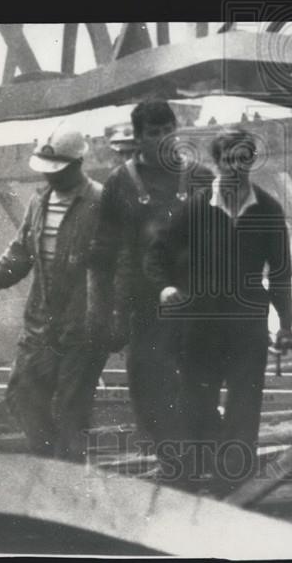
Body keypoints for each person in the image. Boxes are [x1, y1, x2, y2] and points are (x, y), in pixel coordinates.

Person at [148, 127, 292, 492]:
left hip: (248, 322)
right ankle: (200, 469)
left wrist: (286, 323)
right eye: (229, 160)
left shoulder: (268, 209)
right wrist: (166, 286)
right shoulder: (195, 209)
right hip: (201, 321)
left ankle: (231, 479)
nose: (236, 168)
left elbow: (280, 270)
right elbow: (156, 255)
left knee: (245, 403)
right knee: (198, 397)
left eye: (243, 160)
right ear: (217, 163)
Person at [0, 125, 106, 461]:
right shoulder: (40, 203)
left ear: (77, 165)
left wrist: (108, 319)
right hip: (42, 321)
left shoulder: (101, 203)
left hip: (83, 323)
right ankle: (50, 463)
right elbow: (20, 253)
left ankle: (68, 475)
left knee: (72, 407)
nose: (51, 179)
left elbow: (117, 265)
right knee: (22, 393)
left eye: (58, 172)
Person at [87, 100, 213, 449]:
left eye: (168, 130)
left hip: (195, 300)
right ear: (139, 137)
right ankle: (168, 457)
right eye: (153, 133)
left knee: (198, 381)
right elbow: (103, 252)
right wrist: (102, 311)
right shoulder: (120, 183)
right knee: (147, 381)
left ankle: (198, 457)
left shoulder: (201, 178)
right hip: (143, 303)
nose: (163, 139)